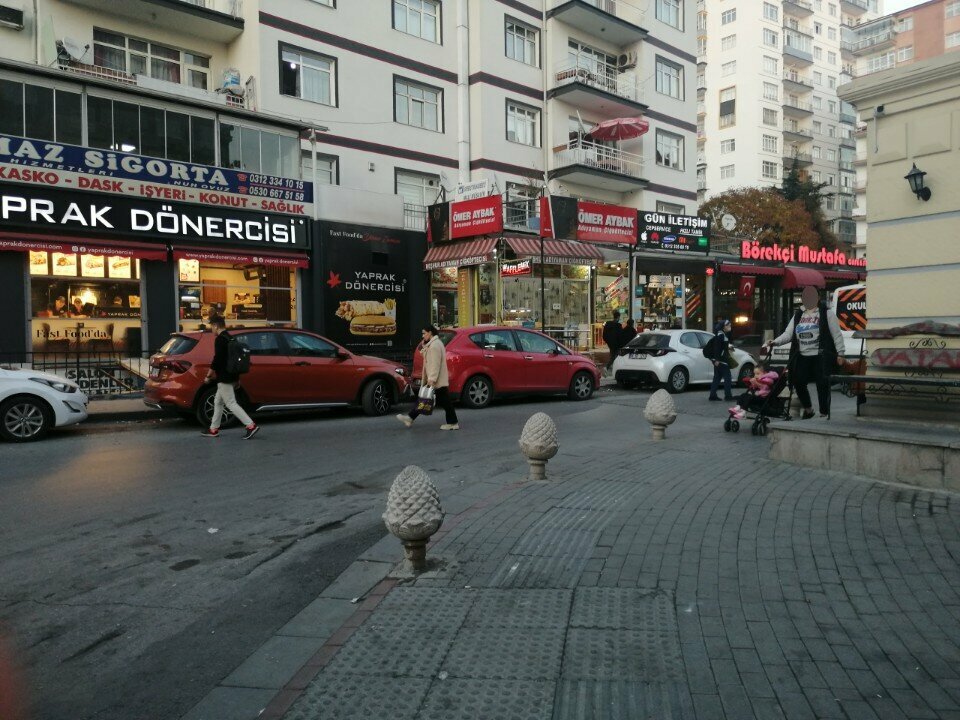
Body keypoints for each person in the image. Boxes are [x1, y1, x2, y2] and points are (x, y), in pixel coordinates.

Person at [767, 285, 845, 419]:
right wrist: (775, 342)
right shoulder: (798, 314)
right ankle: (808, 409)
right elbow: (788, 333)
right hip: (802, 355)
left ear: (818, 297)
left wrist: (841, 353)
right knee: (797, 381)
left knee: (822, 384)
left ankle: (824, 412)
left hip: (820, 355)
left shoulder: (827, 313)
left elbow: (836, 335)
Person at [200, 315, 260, 439]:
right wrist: (237, 379)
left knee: (231, 403)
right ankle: (213, 429)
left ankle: (251, 426)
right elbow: (234, 360)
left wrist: (208, 375)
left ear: (216, 326)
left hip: (224, 377)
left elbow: (217, 360)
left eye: (211, 326)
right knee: (218, 401)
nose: (211, 329)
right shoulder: (230, 338)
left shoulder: (220, 340)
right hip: (232, 375)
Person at [398, 324, 460, 430]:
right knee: (426, 399)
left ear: (430, 333)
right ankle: (410, 418)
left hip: (436, 379)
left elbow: (435, 364)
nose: (423, 336)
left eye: (424, 333)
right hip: (437, 379)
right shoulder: (434, 344)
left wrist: (432, 379)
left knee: (437, 401)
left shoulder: (435, 346)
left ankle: (453, 423)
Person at [708, 319, 734, 401]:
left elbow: (721, 347)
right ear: (723, 327)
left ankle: (712, 395)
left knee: (717, 377)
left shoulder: (720, 334)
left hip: (718, 360)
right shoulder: (721, 335)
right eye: (728, 325)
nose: (730, 326)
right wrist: (717, 360)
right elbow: (717, 348)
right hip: (722, 360)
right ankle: (728, 395)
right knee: (728, 377)